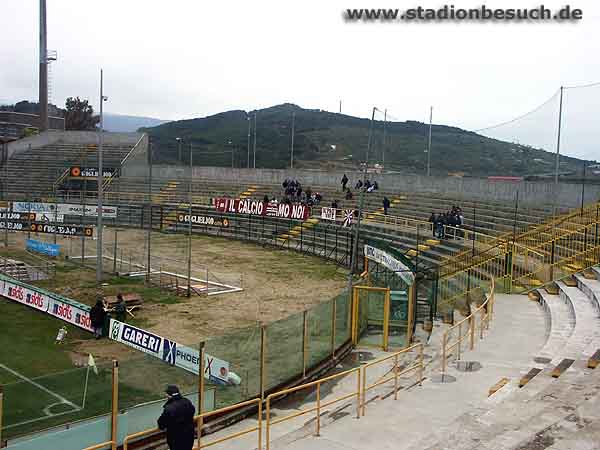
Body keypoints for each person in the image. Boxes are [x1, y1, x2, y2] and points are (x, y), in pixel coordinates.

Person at [157, 385, 196, 450]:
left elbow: (161, 424)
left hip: (176, 439)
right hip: (189, 435)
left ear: (168, 395)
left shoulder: (169, 408)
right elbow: (192, 411)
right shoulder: (187, 401)